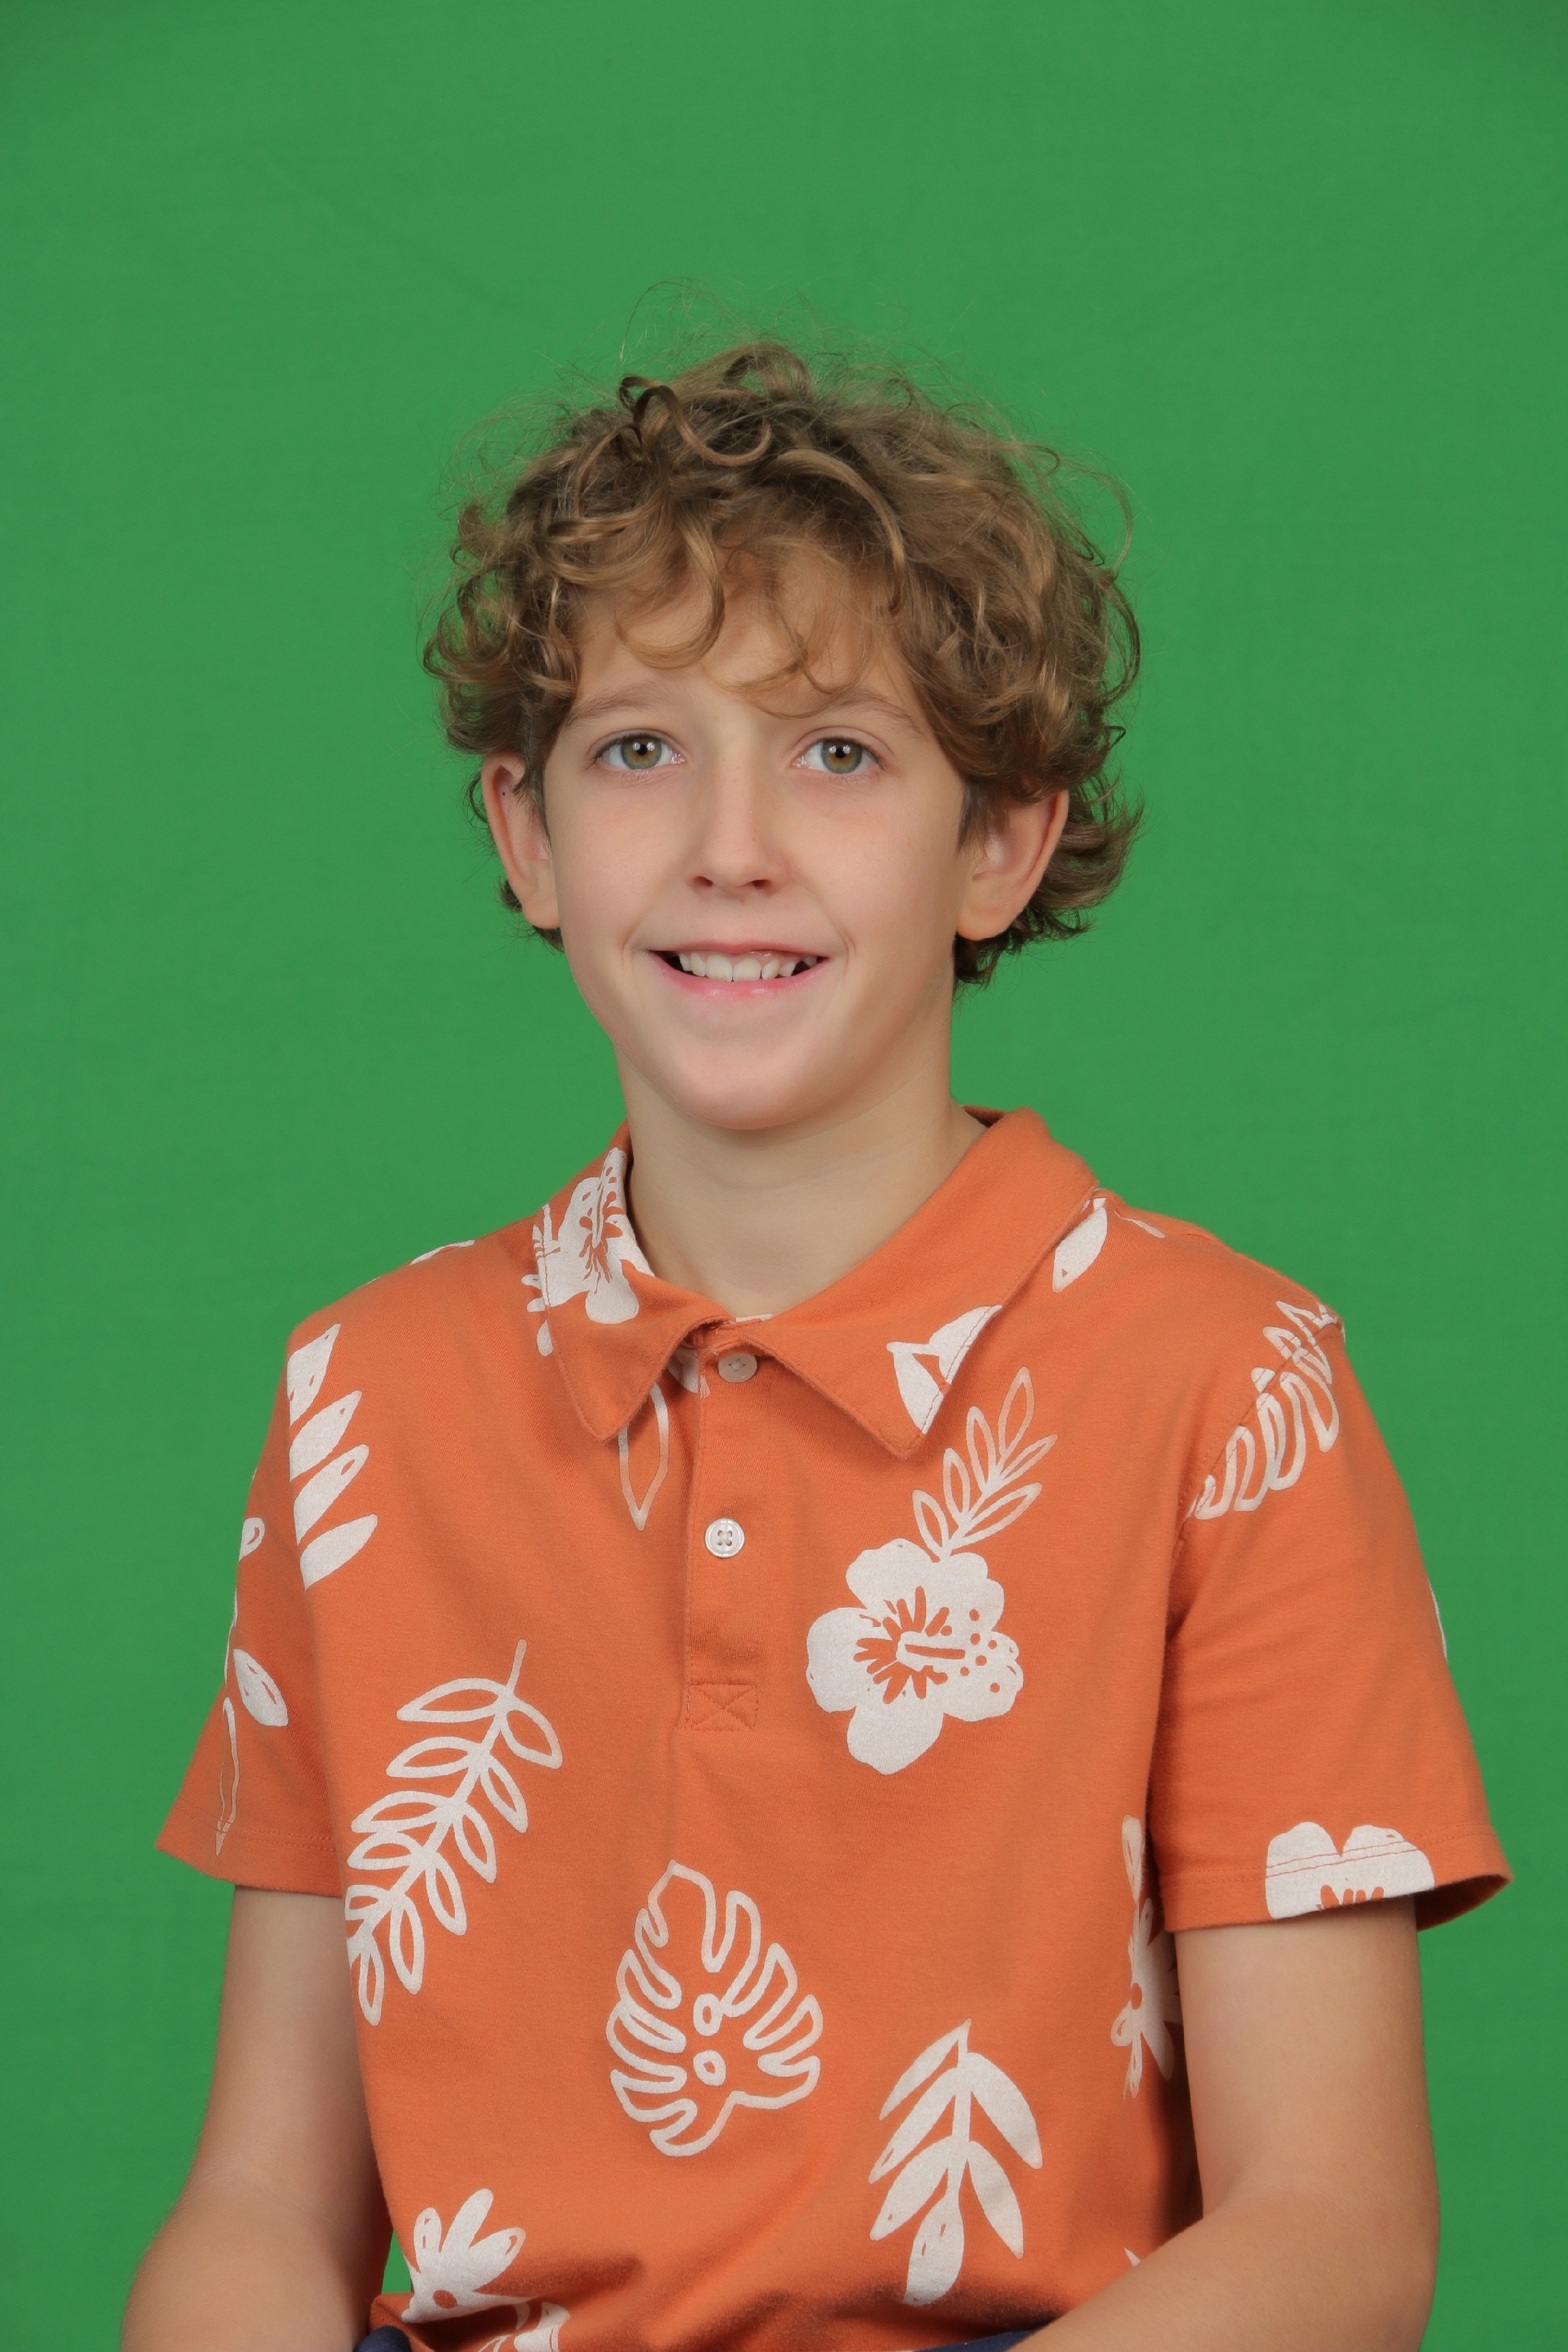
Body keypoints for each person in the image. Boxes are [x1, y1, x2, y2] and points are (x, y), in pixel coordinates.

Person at [123, 342, 1506, 2352]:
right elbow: (261, 2204)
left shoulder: (1234, 1386)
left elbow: (1335, 2236)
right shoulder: (364, 1395)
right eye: (639, 749)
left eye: (840, 753)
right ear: (525, 834)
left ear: (998, 845)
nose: (731, 844)